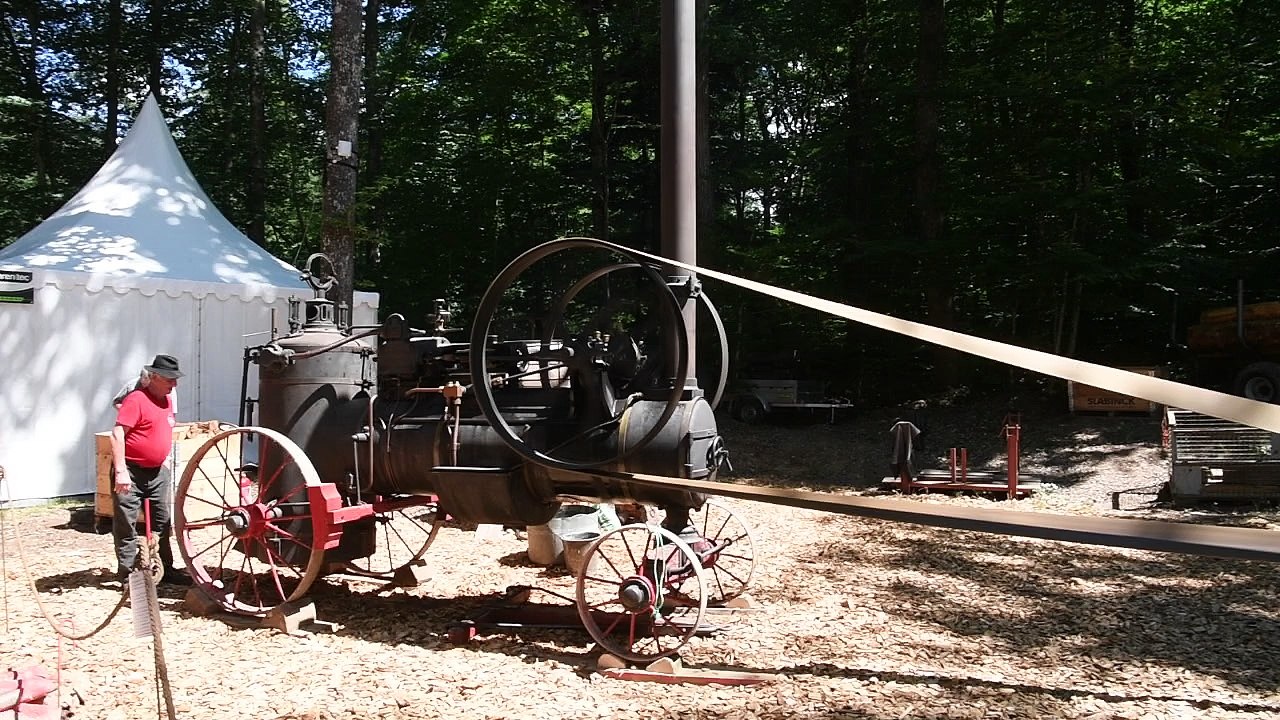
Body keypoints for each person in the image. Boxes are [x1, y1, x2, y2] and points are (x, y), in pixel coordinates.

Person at [110, 354, 191, 585]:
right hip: (132, 471)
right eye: (169, 379)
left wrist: (161, 457)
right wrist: (121, 471)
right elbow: (118, 434)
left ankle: (165, 568)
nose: (174, 384)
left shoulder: (166, 400)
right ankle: (128, 574)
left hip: (157, 471)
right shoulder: (136, 399)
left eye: (175, 379)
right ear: (154, 377)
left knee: (162, 521)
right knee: (126, 523)